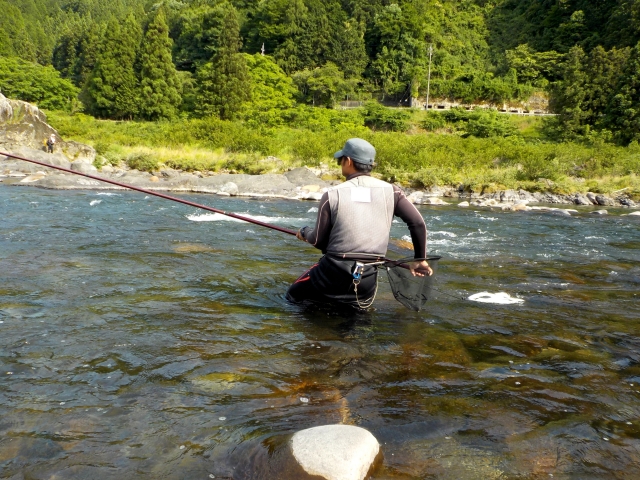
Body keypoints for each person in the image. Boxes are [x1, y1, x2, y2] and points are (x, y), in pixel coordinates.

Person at [287, 138, 432, 309]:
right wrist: (420, 259)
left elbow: (318, 240)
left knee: (292, 297)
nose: (340, 164)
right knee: (355, 313)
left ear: (348, 161)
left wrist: (304, 232)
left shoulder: (332, 194)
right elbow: (418, 223)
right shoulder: (393, 192)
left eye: (340, 160)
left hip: (331, 274)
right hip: (367, 278)